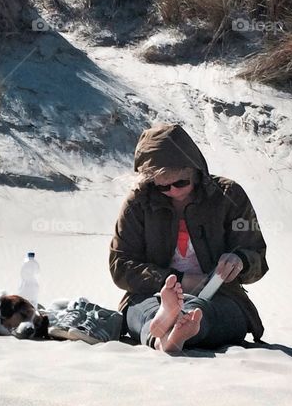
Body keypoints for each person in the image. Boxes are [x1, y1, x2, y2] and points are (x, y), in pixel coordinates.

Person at [109, 123, 269, 353]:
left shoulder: (228, 195)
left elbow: (258, 258)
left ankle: (175, 328)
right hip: (151, 295)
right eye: (163, 187)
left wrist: (241, 261)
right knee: (144, 312)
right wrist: (178, 281)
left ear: (195, 170)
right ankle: (163, 333)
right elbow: (121, 266)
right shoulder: (139, 203)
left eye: (181, 182)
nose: (174, 191)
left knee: (204, 313)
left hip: (222, 297)